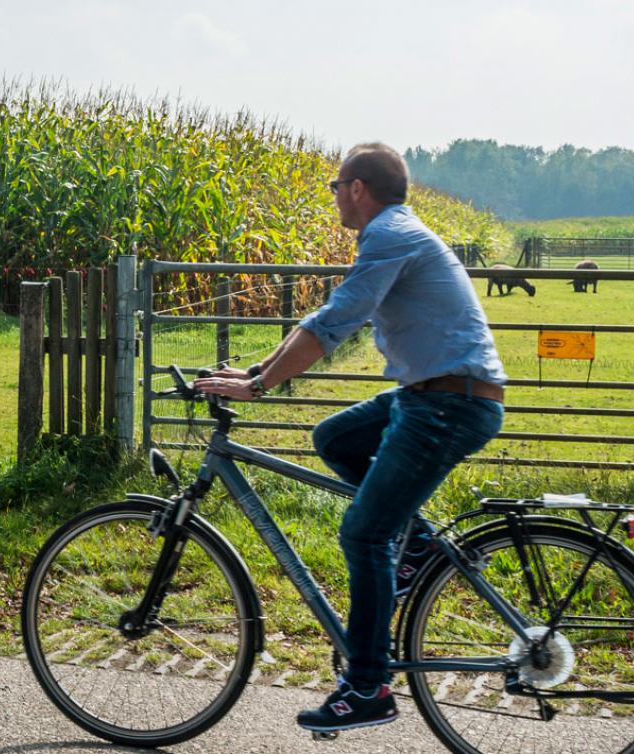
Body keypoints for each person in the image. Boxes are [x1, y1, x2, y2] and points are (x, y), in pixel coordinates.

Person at [193, 143, 506, 734]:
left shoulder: (390, 235)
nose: (334, 195)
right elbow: (323, 323)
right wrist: (256, 373)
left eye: (337, 186)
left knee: (364, 534)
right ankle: (422, 549)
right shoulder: (393, 231)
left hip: (447, 403)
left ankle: (368, 686)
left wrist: (259, 389)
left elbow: (333, 323)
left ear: (359, 187)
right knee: (335, 437)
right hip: (435, 395)